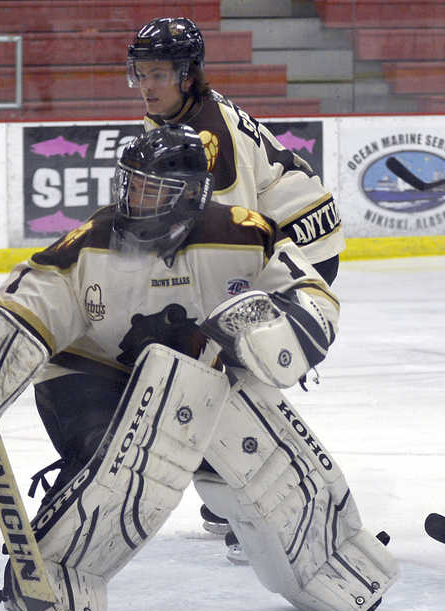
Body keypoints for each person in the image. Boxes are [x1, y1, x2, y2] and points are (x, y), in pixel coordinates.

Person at [0, 124, 396, 611]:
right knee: (123, 461)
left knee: (261, 454)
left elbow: (307, 288)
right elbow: (35, 301)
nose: (136, 198)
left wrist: (289, 326)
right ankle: (55, 573)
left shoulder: (244, 232)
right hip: (91, 376)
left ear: (192, 195)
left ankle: (328, 556)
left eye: (153, 188)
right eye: (132, 184)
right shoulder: (91, 245)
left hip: (197, 380)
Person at [127, 17, 348, 551]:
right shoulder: (178, 110)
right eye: (141, 73)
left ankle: (270, 501)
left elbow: (238, 234)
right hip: (284, 235)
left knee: (240, 364)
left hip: (299, 251)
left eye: (159, 73)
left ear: (187, 74)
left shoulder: (209, 134)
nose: (148, 85)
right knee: (220, 359)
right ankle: (240, 489)